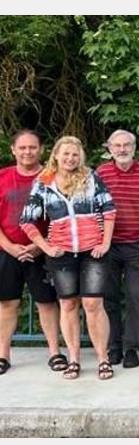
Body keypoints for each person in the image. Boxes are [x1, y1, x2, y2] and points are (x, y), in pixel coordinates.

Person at [20, 136, 116, 380]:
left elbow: (109, 210)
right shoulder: (43, 182)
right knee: (68, 304)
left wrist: (105, 242)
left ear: (80, 156)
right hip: (61, 254)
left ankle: (103, 358)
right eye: (66, 154)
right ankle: (74, 358)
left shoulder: (91, 177)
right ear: (56, 155)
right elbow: (27, 220)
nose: (70, 158)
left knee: (93, 304)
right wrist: (45, 247)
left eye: (75, 154)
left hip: (92, 250)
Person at [0, 130, 64, 375]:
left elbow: (63, 218)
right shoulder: (2, 177)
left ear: (42, 150)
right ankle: (3, 354)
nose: (28, 152)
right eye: (22, 148)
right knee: (7, 303)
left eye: (33, 147)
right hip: (8, 250)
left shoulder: (52, 178)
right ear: (13, 150)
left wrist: (40, 246)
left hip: (43, 251)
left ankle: (55, 353)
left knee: (47, 302)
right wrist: (10, 248)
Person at [97, 129, 139, 368]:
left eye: (126, 145)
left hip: (136, 244)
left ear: (134, 147)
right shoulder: (100, 173)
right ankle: (113, 346)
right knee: (109, 297)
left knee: (134, 297)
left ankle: (131, 347)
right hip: (107, 245)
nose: (122, 150)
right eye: (117, 146)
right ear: (109, 149)